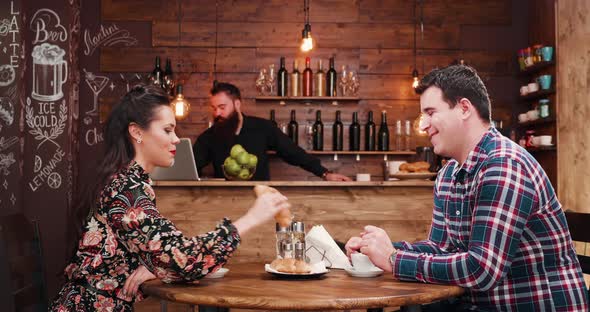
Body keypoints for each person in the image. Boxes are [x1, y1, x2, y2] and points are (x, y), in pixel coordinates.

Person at [345, 65, 589, 311]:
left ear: (464, 108)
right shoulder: (449, 174)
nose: (423, 126)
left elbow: (483, 269)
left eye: (430, 112)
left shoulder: (504, 165)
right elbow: (440, 248)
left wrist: (393, 259)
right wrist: (378, 250)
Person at [50, 85, 290, 311]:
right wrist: (252, 218)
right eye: (167, 130)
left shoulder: (129, 181)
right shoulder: (127, 189)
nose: (176, 139)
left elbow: (167, 253)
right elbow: (182, 259)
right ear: (136, 132)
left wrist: (156, 264)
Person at [193, 82, 351, 181]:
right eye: (214, 109)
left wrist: (325, 174)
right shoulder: (210, 136)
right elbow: (192, 166)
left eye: (222, 107)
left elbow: (293, 153)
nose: (217, 114)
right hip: (222, 203)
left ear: (237, 104)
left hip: (260, 201)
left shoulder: (263, 128)